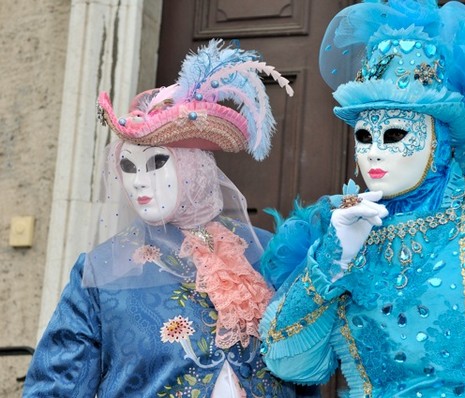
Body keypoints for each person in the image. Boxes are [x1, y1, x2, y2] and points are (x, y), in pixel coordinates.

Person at [259, 1, 465, 397]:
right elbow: (288, 360)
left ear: (441, 140)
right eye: (364, 136)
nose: (373, 152)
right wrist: (331, 263)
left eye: (395, 134)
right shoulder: (344, 228)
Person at [23, 39, 302, 397]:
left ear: (196, 166)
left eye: (157, 162)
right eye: (128, 166)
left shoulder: (263, 251)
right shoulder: (102, 270)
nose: (139, 180)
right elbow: (56, 386)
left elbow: (303, 367)